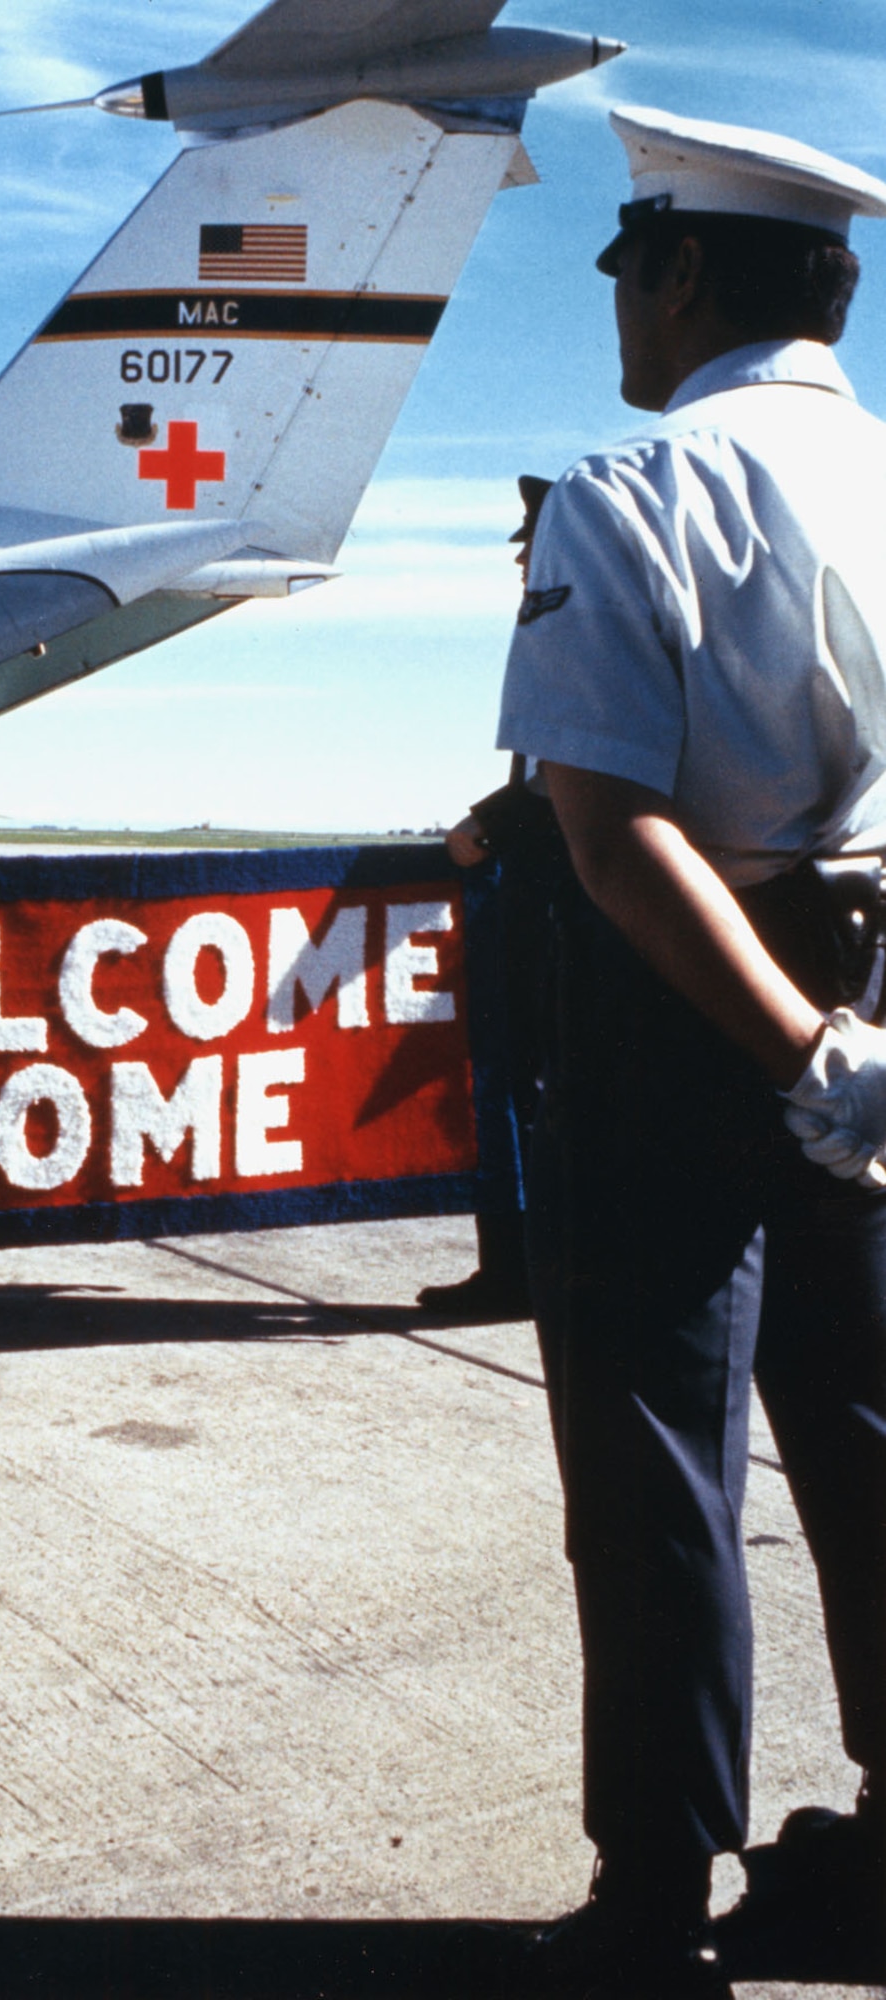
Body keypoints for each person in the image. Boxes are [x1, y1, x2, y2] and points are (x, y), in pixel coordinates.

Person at [493, 108, 886, 1991]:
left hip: (697, 1019)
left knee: (658, 1457)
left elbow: (610, 829)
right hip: (880, 1004)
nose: (617, 322)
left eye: (623, 277)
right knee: (874, 1431)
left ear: (674, 274)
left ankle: (654, 1898)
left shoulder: (632, 483)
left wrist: (799, 1044)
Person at [418, 476, 558, 1323]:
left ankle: (520, 1271)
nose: (516, 552)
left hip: (561, 906)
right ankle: (520, 1267)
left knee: (516, 1085)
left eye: (531, 537)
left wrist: (489, 820)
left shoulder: (570, 628)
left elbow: (560, 781)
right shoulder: (556, 626)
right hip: (556, 897)